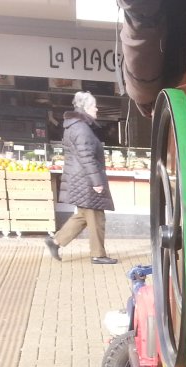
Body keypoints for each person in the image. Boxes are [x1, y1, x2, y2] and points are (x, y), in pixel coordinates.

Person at [44, 91, 116, 265]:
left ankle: (55, 241)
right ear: (85, 108)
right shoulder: (82, 129)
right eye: (94, 106)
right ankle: (98, 254)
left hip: (79, 179)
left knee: (84, 216)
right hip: (86, 180)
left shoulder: (76, 126)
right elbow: (86, 157)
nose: (97, 109)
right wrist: (96, 182)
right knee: (96, 217)